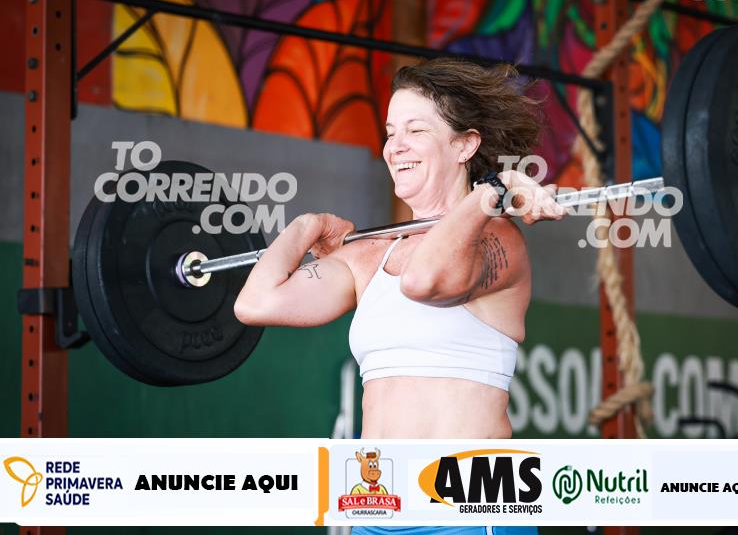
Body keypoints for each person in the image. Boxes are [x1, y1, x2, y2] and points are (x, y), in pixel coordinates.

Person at [234, 58, 563, 442]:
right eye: (391, 133)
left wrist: (493, 189)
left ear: (464, 144)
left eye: (416, 130)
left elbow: (422, 281)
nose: (396, 147)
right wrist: (309, 225)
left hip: (462, 475)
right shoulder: (371, 256)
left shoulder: (497, 237)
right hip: (377, 476)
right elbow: (256, 303)